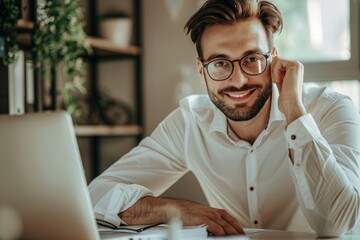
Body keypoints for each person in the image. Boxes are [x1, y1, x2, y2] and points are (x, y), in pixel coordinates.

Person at [89, 0, 360, 237]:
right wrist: (175, 210)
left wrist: (294, 113)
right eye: (220, 63)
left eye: (251, 59)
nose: (238, 80)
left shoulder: (331, 109)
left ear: (274, 60)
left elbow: (336, 224)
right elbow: (94, 196)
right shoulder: (190, 121)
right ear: (201, 70)